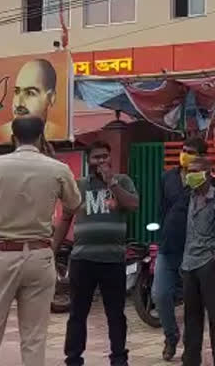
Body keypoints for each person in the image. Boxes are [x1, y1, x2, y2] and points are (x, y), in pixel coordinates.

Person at [0, 116, 81, 366]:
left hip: (1, 255)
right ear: (41, 137)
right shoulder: (57, 169)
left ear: (13, 137)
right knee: (34, 339)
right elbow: (74, 203)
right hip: (39, 255)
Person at [53, 140, 140, 366]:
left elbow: (132, 205)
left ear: (110, 159)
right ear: (89, 161)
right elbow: (65, 219)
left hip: (113, 260)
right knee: (78, 314)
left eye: (104, 157)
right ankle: (73, 359)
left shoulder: (123, 181)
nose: (101, 161)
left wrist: (112, 183)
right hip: (83, 260)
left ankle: (119, 359)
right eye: (96, 157)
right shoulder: (79, 185)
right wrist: (52, 251)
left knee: (116, 315)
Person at [154, 136, 215, 360]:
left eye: (191, 151)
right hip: (170, 248)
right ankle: (170, 336)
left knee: (198, 310)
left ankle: (195, 353)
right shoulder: (167, 177)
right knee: (161, 294)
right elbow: (163, 210)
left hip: (198, 255)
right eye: (183, 149)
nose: (185, 154)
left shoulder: (214, 187)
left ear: (203, 157)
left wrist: (214, 253)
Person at [181, 156, 215, 366]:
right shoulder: (190, 197)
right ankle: (191, 361)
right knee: (191, 317)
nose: (190, 174)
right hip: (188, 263)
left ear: (207, 173)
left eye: (195, 171)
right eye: (189, 170)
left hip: (207, 263)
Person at [0, 59, 61, 141]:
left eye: (30, 93)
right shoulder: (1, 132)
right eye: (17, 92)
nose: (18, 103)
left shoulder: (58, 133)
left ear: (51, 98)